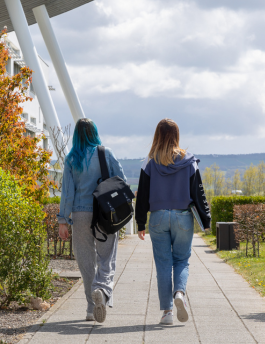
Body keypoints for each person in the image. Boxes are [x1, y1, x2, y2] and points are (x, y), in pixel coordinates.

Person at [135, 118, 211, 325]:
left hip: (158, 217)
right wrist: (206, 219)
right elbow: (198, 192)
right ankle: (179, 293)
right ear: (177, 135)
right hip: (183, 217)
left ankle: (167, 312)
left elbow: (142, 194)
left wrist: (140, 223)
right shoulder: (189, 161)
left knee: (162, 264)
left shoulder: (149, 162)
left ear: (157, 136)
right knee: (181, 260)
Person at [57, 118, 127, 323]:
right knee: (106, 257)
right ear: (94, 132)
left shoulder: (71, 159)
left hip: (80, 214)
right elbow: (121, 180)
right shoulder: (106, 153)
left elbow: (67, 193)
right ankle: (102, 291)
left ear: (76, 136)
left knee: (86, 261)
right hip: (104, 212)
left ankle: (90, 308)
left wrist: (63, 219)